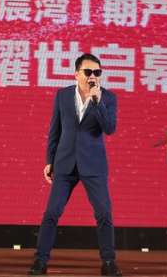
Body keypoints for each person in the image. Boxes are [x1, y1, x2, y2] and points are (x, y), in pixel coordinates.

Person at [28, 53, 122, 276]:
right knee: (52, 212)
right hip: (65, 163)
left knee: (104, 213)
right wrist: (49, 160)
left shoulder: (108, 98)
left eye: (97, 72)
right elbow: (55, 130)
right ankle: (40, 261)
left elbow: (109, 128)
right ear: (76, 74)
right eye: (88, 72)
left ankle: (108, 262)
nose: (93, 76)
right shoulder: (62, 95)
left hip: (94, 165)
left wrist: (97, 102)